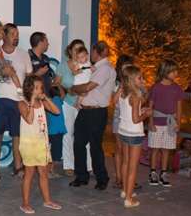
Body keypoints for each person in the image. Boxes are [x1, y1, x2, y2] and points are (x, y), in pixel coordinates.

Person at [69, 41, 116, 190]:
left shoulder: (105, 68)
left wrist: (73, 88)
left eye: (92, 51)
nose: (90, 54)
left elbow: (88, 87)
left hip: (96, 112)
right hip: (85, 110)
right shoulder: (95, 67)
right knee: (78, 143)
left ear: (96, 52)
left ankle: (102, 178)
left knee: (95, 146)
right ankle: (81, 176)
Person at [0, 23, 32, 180]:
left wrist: (27, 98)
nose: (16, 37)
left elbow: (29, 78)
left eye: (17, 34)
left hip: (18, 101)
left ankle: (18, 165)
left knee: (17, 135)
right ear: (4, 36)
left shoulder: (23, 54)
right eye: (13, 34)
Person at [18, 75, 62, 214]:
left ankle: (47, 200)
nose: (39, 90)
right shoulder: (22, 103)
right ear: (29, 88)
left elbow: (57, 111)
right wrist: (31, 101)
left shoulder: (42, 102)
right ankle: (25, 203)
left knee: (43, 172)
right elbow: (30, 120)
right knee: (29, 173)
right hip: (28, 144)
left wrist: (46, 98)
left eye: (41, 88)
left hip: (41, 143)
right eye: (36, 88)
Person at [117, 65, 152, 208]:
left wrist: (140, 110)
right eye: (139, 78)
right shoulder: (135, 96)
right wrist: (146, 114)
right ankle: (129, 199)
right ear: (131, 80)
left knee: (125, 163)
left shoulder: (122, 93)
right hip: (134, 134)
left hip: (123, 131)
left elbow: (128, 111)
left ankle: (125, 190)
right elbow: (136, 119)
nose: (142, 80)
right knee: (133, 167)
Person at [55, 39, 92, 176]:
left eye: (80, 49)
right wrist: (65, 91)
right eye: (75, 49)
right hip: (68, 103)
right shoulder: (63, 66)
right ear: (70, 51)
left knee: (85, 134)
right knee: (68, 133)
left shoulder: (87, 65)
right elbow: (56, 83)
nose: (78, 52)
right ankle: (69, 165)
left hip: (84, 103)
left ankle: (89, 165)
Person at [148, 59, 185, 188]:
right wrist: (150, 122)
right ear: (165, 72)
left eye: (176, 71)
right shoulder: (156, 87)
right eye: (173, 71)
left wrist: (178, 123)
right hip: (157, 122)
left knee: (166, 149)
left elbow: (179, 107)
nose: (176, 73)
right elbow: (151, 106)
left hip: (170, 124)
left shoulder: (177, 89)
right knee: (155, 148)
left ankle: (163, 173)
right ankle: (153, 172)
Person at [111, 54, 135, 189]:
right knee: (120, 149)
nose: (127, 69)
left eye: (130, 66)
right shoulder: (116, 83)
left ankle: (129, 178)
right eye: (125, 66)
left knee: (131, 150)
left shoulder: (135, 82)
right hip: (119, 117)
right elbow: (114, 102)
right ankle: (119, 178)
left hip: (132, 119)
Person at [46, 85, 67, 178]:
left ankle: (49, 171)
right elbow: (63, 94)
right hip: (57, 131)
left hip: (51, 130)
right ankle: (50, 171)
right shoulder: (57, 99)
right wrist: (59, 84)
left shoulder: (49, 101)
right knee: (55, 153)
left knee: (50, 152)